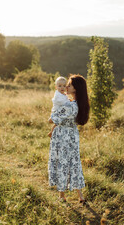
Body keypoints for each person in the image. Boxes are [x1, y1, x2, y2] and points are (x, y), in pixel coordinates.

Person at [48, 74, 90, 203]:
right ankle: (80, 196)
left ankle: (62, 196)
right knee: (74, 163)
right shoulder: (79, 104)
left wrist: (54, 112)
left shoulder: (69, 106)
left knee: (62, 163)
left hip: (62, 136)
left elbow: (51, 120)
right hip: (73, 135)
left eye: (70, 85)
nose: (66, 86)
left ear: (76, 88)